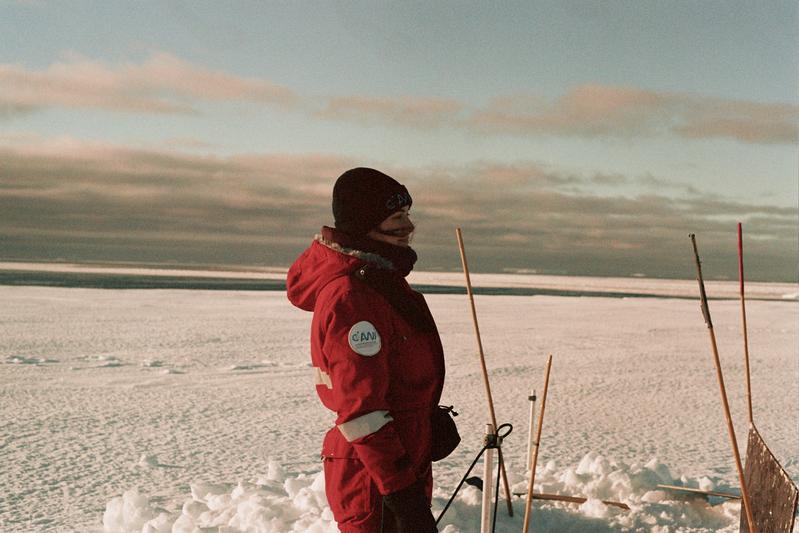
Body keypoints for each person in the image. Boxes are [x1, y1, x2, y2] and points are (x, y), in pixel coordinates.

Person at [287, 167, 444, 532]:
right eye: (396, 217)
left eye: (407, 215)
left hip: (397, 463)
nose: (408, 226)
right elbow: (361, 412)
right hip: (374, 480)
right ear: (363, 225)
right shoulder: (353, 298)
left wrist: (424, 416)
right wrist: (402, 496)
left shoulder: (382, 285)